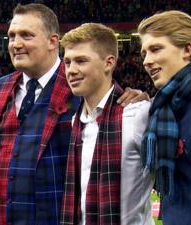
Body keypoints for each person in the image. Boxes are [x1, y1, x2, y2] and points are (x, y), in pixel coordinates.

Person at [0, 3, 147, 225]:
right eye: (12, 36)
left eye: (26, 35)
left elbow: (108, 100)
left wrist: (135, 96)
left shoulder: (80, 84)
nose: (16, 43)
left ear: (53, 42)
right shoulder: (1, 87)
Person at [59, 23, 154, 225]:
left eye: (81, 61)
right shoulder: (77, 121)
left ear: (109, 62)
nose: (71, 70)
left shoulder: (138, 114)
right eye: (67, 62)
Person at [138, 10, 191, 225]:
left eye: (155, 49)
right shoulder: (163, 107)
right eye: (144, 54)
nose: (147, 61)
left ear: (187, 49)